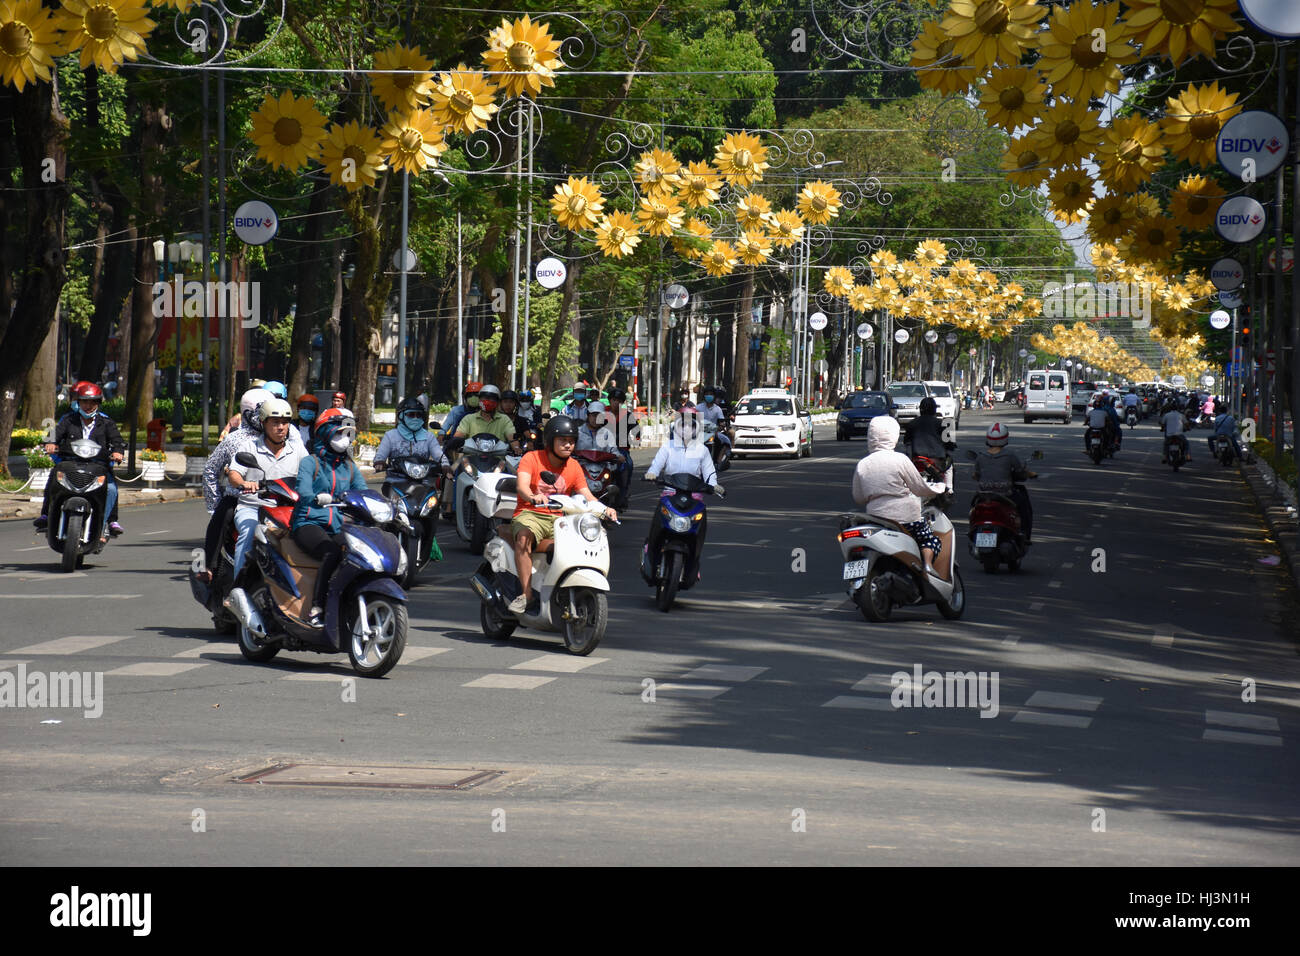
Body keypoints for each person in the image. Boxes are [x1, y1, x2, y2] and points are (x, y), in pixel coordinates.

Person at [509, 416, 615, 614]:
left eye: (572, 441)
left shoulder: (574, 466)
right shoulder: (531, 458)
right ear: (550, 441)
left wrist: (605, 510)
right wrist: (532, 496)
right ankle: (526, 595)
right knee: (524, 539)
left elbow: (587, 495)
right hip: (531, 513)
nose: (568, 445)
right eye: (563, 441)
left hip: (561, 518)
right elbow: (522, 487)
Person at [291, 408, 368, 628]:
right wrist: (316, 498)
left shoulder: (350, 467)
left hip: (336, 525)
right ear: (325, 433)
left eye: (347, 435)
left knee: (359, 553)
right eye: (338, 434)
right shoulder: (310, 463)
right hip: (308, 522)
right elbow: (303, 491)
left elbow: (363, 492)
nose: (344, 441)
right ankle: (317, 608)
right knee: (331, 552)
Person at [851, 415, 948, 578]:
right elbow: (919, 488)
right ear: (894, 436)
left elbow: (858, 497)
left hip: (875, 519)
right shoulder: (900, 460)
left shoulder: (863, 464)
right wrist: (939, 488)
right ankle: (928, 566)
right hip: (906, 519)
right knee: (928, 540)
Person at [196, 386, 275, 583]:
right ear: (249, 414)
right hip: (239, 497)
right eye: (262, 414)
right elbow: (210, 470)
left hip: (276, 496)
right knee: (222, 517)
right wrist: (214, 504)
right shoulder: (235, 439)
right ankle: (208, 567)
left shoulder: (281, 437)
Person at [226, 398, 307, 585]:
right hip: (254, 507)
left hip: (288, 508)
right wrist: (245, 483)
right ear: (263, 423)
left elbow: (312, 473)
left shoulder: (297, 450)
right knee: (248, 531)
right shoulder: (250, 447)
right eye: (275, 422)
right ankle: (239, 587)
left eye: (285, 423)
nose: (281, 427)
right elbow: (234, 474)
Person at [34, 381, 126, 537]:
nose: (88, 406)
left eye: (92, 402)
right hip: (70, 463)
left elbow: (117, 441)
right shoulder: (69, 420)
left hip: (97, 466)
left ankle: (109, 521)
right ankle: (46, 515)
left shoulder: (107, 422)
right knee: (54, 479)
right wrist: (50, 443)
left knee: (110, 488)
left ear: (98, 403)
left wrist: (118, 452)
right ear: (78, 402)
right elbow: (55, 434)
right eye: (84, 401)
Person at [641, 405, 719, 587]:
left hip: (694, 499)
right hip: (669, 495)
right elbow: (656, 464)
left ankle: (693, 564)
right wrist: (651, 474)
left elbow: (710, 473)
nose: (686, 428)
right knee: (656, 531)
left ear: (697, 427)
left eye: (691, 425)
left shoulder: (702, 450)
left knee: (698, 533)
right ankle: (650, 556)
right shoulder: (667, 447)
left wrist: (715, 486)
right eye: (683, 424)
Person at [971, 422, 1035, 543]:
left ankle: (973, 527)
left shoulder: (980, 456)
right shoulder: (1010, 455)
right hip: (1005, 494)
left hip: (983, 495)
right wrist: (1029, 474)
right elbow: (1020, 472)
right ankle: (1024, 533)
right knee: (1024, 508)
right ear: (1005, 438)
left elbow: (976, 475)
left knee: (973, 507)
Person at [374, 396, 444, 471]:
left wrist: (446, 465)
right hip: (396, 476)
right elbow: (380, 455)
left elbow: (439, 455)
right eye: (411, 414)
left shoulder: (429, 436)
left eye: (419, 415)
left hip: (423, 476)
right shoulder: (390, 435)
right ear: (401, 416)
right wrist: (379, 462)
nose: (415, 418)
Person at [903, 396, 956, 493]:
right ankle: (949, 489)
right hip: (936, 460)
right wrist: (950, 446)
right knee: (949, 466)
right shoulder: (942, 424)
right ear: (934, 409)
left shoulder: (912, 423)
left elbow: (906, 442)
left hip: (916, 460)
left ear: (920, 409)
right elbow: (949, 443)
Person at [453, 383, 520, 454]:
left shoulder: (504, 419)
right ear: (479, 400)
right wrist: (455, 441)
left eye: (492, 398)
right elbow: (459, 435)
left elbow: (512, 438)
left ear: (497, 402)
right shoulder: (468, 419)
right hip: (471, 460)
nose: (487, 401)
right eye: (484, 398)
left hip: (498, 461)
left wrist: (516, 448)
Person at [604, 386, 637, 501]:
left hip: (622, 449)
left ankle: (624, 492)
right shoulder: (602, 413)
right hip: (604, 449)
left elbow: (636, 430)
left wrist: (636, 438)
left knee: (629, 465)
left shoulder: (627, 415)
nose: (616, 402)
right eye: (614, 400)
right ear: (610, 400)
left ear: (622, 403)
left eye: (619, 400)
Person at [696, 385, 732, 460]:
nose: (709, 396)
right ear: (704, 396)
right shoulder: (698, 407)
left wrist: (719, 428)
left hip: (713, 433)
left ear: (714, 396)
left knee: (726, 441)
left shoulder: (717, 409)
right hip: (699, 433)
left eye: (711, 394)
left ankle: (718, 461)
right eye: (707, 394)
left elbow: (721, 423)